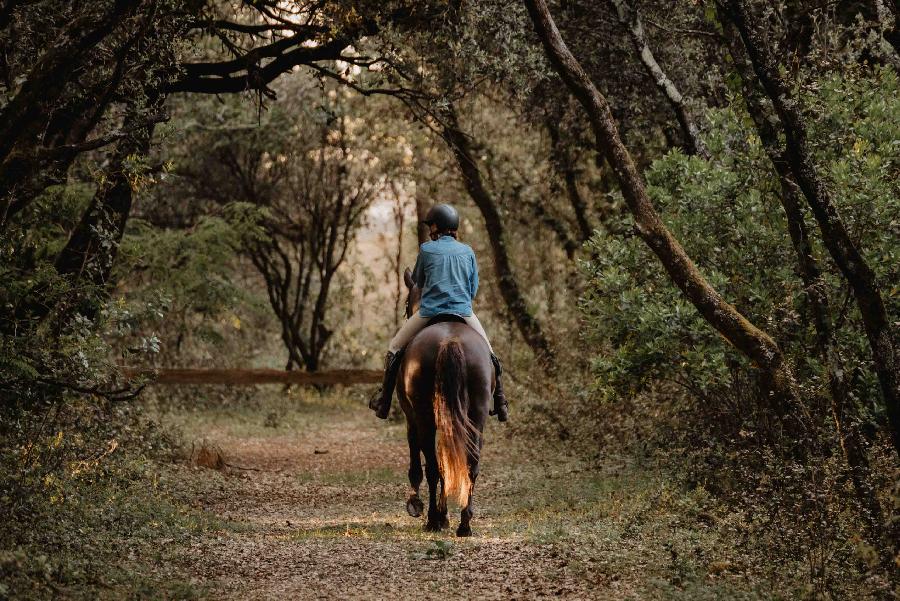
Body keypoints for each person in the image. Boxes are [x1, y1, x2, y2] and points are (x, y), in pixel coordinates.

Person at [368, 203, 509, 422]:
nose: (430, 229)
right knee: (490, 354)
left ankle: (383, 401)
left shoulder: (426, 249)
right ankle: (500, 401)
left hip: (430, 312)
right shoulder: (468, 251)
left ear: (437, 226)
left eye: (431, 225)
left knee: (394, 347)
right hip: (463, 312)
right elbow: (472, 290)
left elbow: (419, 284)